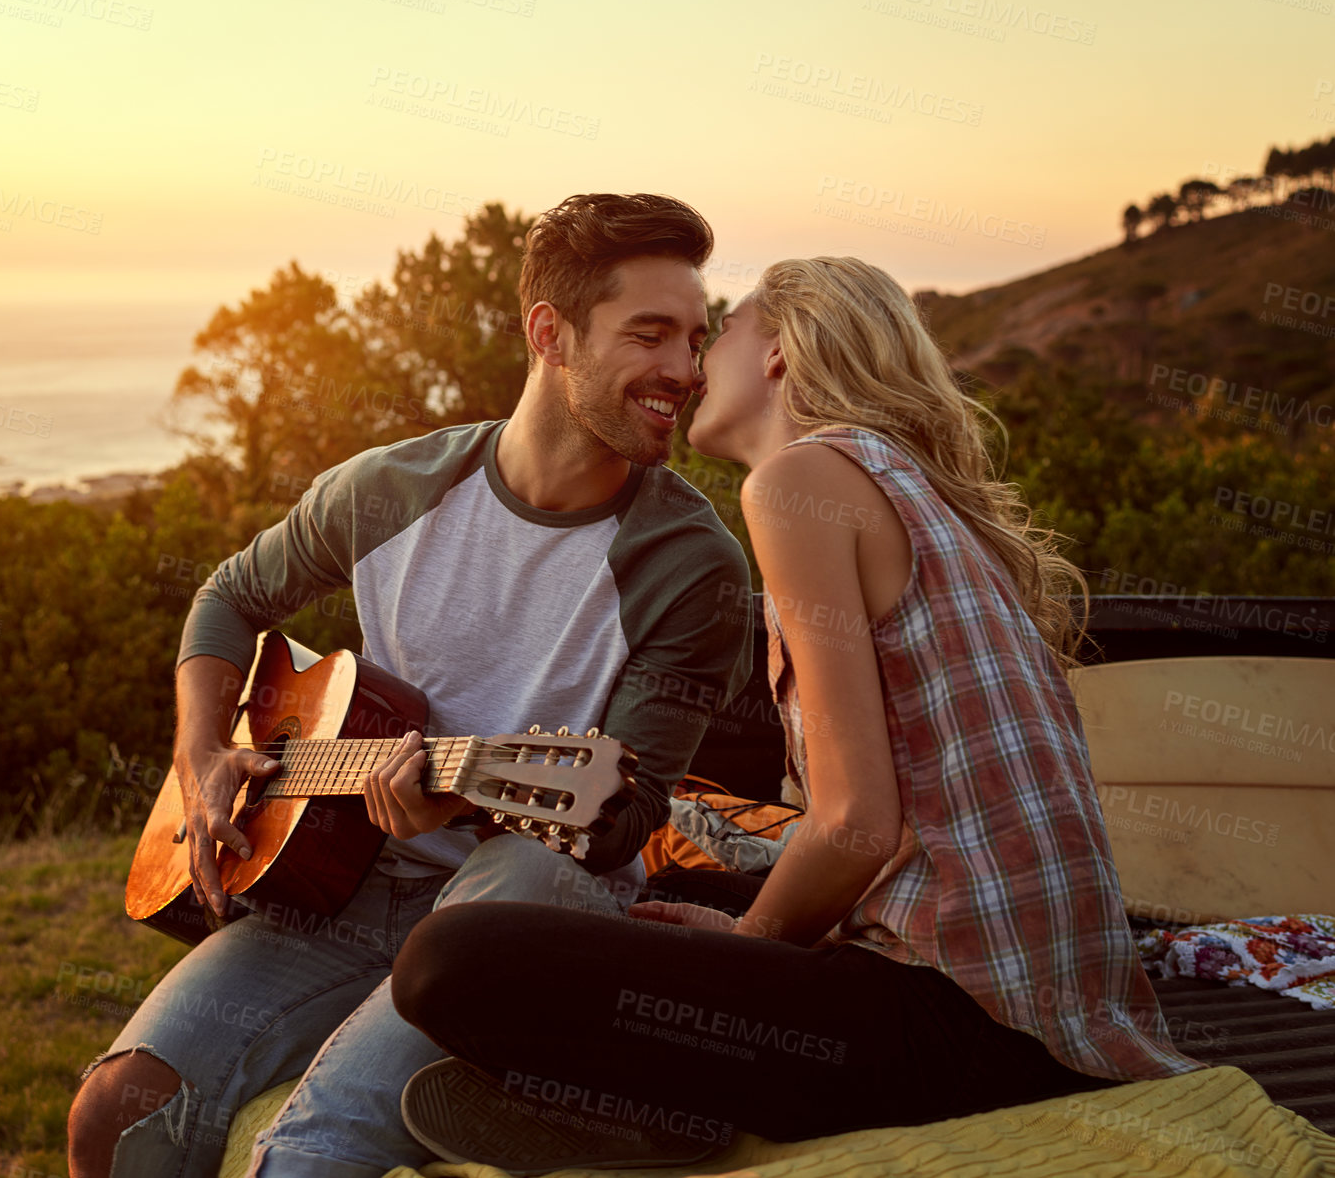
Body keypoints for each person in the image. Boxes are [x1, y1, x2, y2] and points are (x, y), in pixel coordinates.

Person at [391, 255, 1208, 1173]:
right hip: (1042, 1000)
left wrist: (751, 945)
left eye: (720, 332)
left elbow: (857, 826)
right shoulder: (901, 485)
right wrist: (746, 936)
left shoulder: (795, 483)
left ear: (780, 352)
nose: (695, 365)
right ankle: (659, 1108)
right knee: (665, 898)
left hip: (973, 1030)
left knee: (448, 961)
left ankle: (652, 1117)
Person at [66, 193, 753, 1178]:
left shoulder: (688, 564)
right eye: (650, 336)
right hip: (347, 883)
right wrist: (205, 752)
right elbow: (228, 597)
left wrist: (464, 791)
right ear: (547, 333)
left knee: (310, 1152)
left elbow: (620, 815)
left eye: (695, 339)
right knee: (117, 1117)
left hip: (535, 891)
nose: (683, 372)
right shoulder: (393, 490)